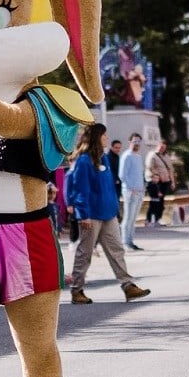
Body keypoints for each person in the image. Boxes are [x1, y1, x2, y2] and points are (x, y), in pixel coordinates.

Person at [65, 122, 151, 305]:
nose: (107, 138)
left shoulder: (103, 159)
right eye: (104, 135)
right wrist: (83, 214)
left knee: (117, 250)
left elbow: (108, 187)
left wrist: (115, 209)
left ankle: (128, 286)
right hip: (91, 215)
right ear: (97, 138)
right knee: (85, 253)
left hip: (108, 213)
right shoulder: (83, 161)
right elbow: (81, 189)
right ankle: (77, 290)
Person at [119, 132, 146, 249]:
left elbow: (140, 174)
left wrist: (142, 187)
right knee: (128, 217)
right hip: (130, 192)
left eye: (139, 141)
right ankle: (125, 242)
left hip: (139, 191)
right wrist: (131, 188)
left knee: (134, 218)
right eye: (135, 141)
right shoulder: (126, 156)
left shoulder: (138, 157)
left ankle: (131, 241)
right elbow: (122, 175)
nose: (137, 144)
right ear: (130, 142)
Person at [145, 140, 173, 225]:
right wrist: (157, 176)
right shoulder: (152, 155)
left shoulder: (166, 156)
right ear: (158, 145)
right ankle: (149, 219)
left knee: (161, 201)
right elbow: (149, 167)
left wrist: (172, 181)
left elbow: (170, 169)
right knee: (154, 201)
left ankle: (158, 218)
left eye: (164, 147)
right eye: (161, 146)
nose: (162, 148)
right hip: (155, 182)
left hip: (165, 182)